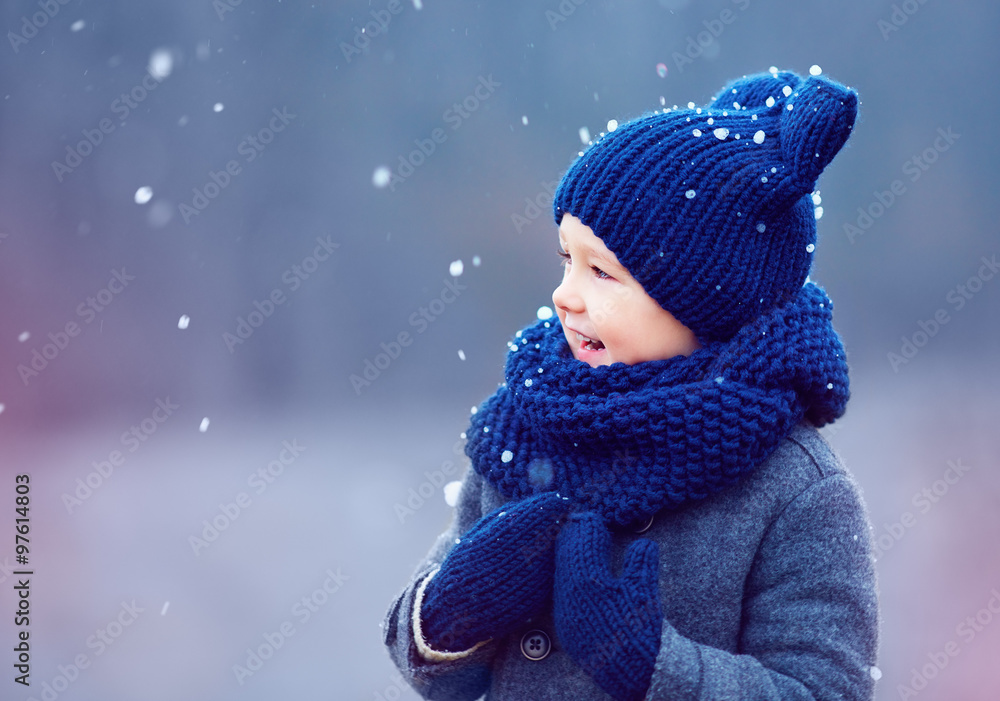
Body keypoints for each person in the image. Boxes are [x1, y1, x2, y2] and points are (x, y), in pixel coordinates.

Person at [382, 67, 880, 701]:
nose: (565, 297)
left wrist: (650, 665)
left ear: (704, 302)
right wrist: (448, 616)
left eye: (603, 274)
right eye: (567, 260)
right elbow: (416, 652)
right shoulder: (530, 424)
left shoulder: (797, 491)